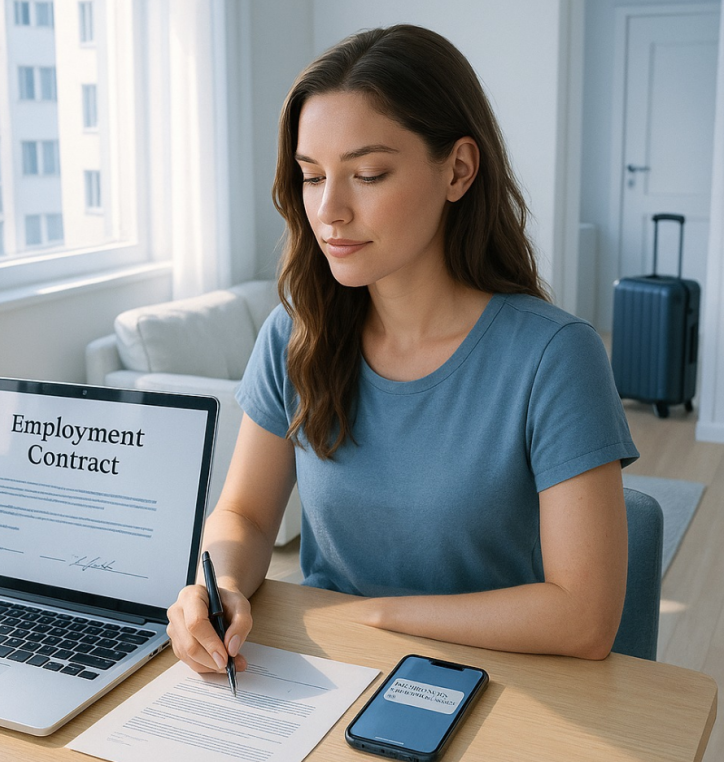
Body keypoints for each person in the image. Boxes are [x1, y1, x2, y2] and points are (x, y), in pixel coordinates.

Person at [167, 23, 639, 674]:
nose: (329, 210)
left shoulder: (555, 357)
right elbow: (244, 516)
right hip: (327, 674)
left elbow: (584, 618)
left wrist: (378, 615)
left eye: (367, 173)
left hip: (503, 683)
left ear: (459, 170)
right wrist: (213, 584)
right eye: (310, 176)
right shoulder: (294, 333)